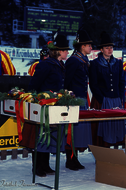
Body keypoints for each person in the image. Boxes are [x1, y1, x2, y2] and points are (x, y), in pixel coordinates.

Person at [27, 33, 71, 177]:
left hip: (55, 106)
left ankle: (45, 165)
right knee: (42, 135)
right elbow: (34, 84)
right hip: (44, 105)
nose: (67, 52)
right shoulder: (46, 64)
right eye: (65, 50)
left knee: (50, 135)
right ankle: (37, 166)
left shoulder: (60, 65)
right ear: (58, 51)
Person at [89, 31, 126, 147]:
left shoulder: (118, 63)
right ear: (101, 49)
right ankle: (101, 153)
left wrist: (120, 97)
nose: (110, 50)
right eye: (107, 48)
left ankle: (113, 153)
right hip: (102, 100)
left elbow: (121, 81)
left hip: (115, 99)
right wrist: (101, 99)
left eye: (111, 48)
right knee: (101, 128)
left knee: (115, 128)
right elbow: (93, 84)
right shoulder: (94, 64)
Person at [64, 29, 93, 170]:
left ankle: (75, 158)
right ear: (82, 46)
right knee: (72, 131)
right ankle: (70, 160)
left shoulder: (82, 60)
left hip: (82, 99)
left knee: (78, 131)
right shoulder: (73, 61)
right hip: (74, 100)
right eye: (89, 45)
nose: (91, 48)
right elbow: (67, 82)